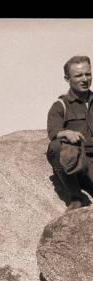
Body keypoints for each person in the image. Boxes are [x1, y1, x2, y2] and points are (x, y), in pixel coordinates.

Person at [46, 55, 93, 210]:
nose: (84, 79)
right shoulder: (60, 106)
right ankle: (75, 196)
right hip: (76, 159)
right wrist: (65, 132)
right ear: (67, 78)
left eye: (88, 74)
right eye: (78, 75)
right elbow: (53, 131)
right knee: (57, 146)